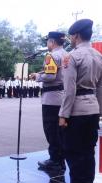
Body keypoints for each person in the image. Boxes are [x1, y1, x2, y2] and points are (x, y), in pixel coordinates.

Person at [54, 19, 102, 183]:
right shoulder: (98, 56)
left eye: (71, 36)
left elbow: (70, 89)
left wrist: (63, 114)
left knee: (72, 151)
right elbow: (100, 88)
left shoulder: (71, 56)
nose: (70, 39)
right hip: (92, 109)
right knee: (88, 151)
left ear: (76, 36)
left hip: (76, 110)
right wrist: (99, 111)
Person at [30, 31, 67, 171]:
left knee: (51, 130)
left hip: (51, 99)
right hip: (62, 96)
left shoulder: (51, 55)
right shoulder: (66, 54)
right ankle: (60, 159)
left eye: (48, 41)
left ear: (52, 42)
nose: (47, 44)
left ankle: (55, 160)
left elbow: (50, 76)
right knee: (60, 131)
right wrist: (41, 73)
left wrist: (37, 77)